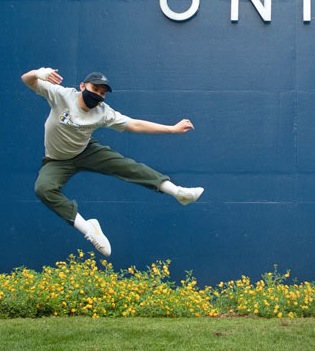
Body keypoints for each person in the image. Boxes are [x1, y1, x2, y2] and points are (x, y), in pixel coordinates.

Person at [21, 67, 204, 257]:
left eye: (102, 93)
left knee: (127, 167)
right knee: (43, 189)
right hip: (57, 160)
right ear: (82, 86)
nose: (98, 95)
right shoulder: (62, 95)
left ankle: (178, 192)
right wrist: (38, 73)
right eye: (94, 89)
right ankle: (89, 229)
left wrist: (172, 129)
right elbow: (27, 80)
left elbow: (134, 124)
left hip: (86, 151)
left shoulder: (102, 112)